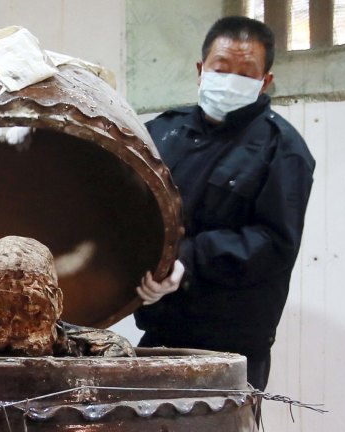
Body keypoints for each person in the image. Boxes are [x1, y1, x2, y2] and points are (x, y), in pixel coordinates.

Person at [133, 16, 315, 391]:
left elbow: (274, 242)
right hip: (160, 333)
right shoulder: (161, 132)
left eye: (246, 73)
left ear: (266, 81)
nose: (231, 79)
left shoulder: (283, 149)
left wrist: (189, 260)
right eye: (221, 68)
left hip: (232, 348)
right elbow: (131, 210)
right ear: (201, 71)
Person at [0, 236, 136, 358]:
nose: (18, 329)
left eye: (33, 311)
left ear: (57, 303)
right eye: (1, 313)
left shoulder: (105, 353)